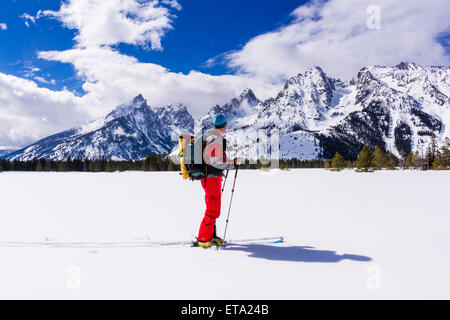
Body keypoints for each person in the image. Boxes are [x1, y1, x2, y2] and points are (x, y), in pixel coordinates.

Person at [196, 113, 240, 248]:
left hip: (210, 177)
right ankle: (204, 239)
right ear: (225, 125)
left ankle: (211, 236)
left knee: (213, 207)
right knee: (213, 210)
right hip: (211, 179)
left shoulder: (211, 136)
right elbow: (215, 161)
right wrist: (232, 164)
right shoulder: (215, 139)